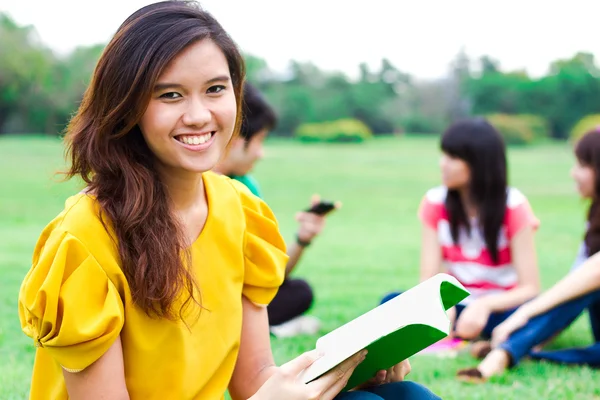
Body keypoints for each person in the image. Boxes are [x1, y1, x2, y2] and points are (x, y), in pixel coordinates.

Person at [17, 2, 439, 399]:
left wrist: (344, 370)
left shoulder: (240, 211)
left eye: (215, 89)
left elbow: (255, 380)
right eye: (170, 95)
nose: (200, 115)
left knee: (403, 394)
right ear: (127, 107)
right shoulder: (83, 240)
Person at [457, 128, 600, 383]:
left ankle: (504, 355)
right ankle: (511, 351)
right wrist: (534, 332)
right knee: (581, 285)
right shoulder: (595, 222)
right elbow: (571, 292)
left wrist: (524, 314)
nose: (573, 173)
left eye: (582, 164)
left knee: (590, 280)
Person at [381, 118, 541, 346]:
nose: (442, 164)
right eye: (443, 155)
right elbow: (428, 277)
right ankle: (479, 335)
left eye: (453, 157)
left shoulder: (514, 206)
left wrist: (484, 305)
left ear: (480, 163)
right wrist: (444, 304)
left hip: (501, 307)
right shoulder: (434, 202)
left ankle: (494, 336)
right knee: (391, 301)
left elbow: (530, 287)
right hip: (457, 304)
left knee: (537, 316)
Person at [213, 82, 334, 337]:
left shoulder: (246, 187)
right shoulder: (188, 185)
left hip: (239, 296)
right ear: (235, 139)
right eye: (260, 140)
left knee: (298, 291)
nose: (261, 153)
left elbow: (271, 275)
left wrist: (302, 239)